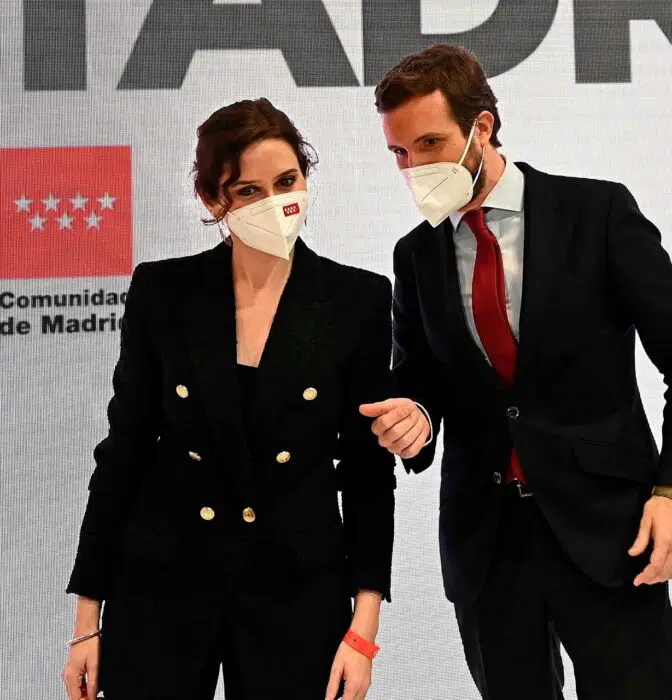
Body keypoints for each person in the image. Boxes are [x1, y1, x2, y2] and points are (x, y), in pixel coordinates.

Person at [361, 44, 672, 699]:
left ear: (482, 126)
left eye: (430, 143)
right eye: (399, 152)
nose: (414, 167)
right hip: (487, 543)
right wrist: (414, 415)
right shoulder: (415, 255)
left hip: (610, 531)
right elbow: (420, 376)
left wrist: (669, 494)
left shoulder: (598, 213)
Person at [62, 98, 396, 700]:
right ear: (213, 200)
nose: (274, 203)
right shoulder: (163, 292)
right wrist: (87, 620)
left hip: (296, 589)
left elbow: (367, 472)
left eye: (287, 181)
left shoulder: (359, 300)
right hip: (164, 583)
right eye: (248, 191)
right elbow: (122, 454)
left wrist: (363, 629)